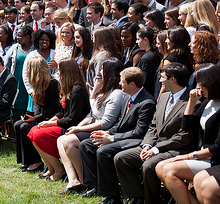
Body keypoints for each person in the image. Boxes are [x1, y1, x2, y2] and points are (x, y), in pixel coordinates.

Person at [115, 63, 198, 204]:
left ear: (172, 79)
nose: (160, 81)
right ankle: (138, 196)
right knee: (121, 158)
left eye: (162, 77)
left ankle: (151, 201)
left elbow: (183, 137)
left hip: (175, 149)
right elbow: (153, 126)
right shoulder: (164, 97)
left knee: (149, 165)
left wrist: (156, 149)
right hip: (154, 146)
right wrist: (147, 144)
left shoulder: (191, 103)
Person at [79, 67, 156, 202]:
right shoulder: (128, 98)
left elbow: (139, 132)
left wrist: (112, 138)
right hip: (121, 137)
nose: (120, 84)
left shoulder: (147, 103)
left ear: (132, 84)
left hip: (135, 141)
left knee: (104, 151)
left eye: (122, 81)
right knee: (86, 145)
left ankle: (113, 196)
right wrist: (107, 132)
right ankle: (97, 186)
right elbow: (120, 123)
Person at [58, 57, 125, 195]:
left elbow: (106, 123)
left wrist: (78, 129)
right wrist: (76, 127)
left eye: (102, 70)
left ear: (109, 72)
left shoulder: (116, 94)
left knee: (70, 142)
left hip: (104, 131)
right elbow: (90, 116)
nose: (99, 73)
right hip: (93, 126)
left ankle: (86, 181)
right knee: (62, 139)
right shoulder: (103, 92)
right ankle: (74, 180)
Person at [156, 64, 220, 204]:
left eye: (199, 83)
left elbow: (217, 148)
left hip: (213, 159)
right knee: (160, 167)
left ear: (210, 83)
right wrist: (191, 102)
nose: (197, 86)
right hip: (203, 156)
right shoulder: (207, 103)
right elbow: (186, 126)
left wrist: (186, 156)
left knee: (169, 169)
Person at [28, 58, 91, 181]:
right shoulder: (69, 88)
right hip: (65, 123)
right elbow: (62, 112)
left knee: (36, 133)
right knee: (34, 130)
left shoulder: (78, 90)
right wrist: (50, 121)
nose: (59, 73)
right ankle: (51, 168)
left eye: (60, 71)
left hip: (73, 127)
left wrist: (51, 123)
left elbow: (72, 119)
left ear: (68, 71)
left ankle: (59, 169)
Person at [15, 56, 60, 172]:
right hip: (40, 115)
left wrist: (35, 118)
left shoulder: (53, 83)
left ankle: (36, 161)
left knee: (25, 127)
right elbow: (36, 105)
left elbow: (55, 108)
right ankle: (26, 160)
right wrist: (30, 116)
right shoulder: (37, 83)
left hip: (51, 118)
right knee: (18, 124)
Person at [4, 25, 35, 118]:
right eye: (17, 35)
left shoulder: (36, 49)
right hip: (17, 81)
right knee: (16, 110)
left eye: (20, 36)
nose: (17, 38)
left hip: (31, 82)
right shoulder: (14, 48)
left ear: (28, 37)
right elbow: (6, 66)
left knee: (29, 109)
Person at [86, 27, 122, 95]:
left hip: (98, 93)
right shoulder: (110, 53)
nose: (93, 40)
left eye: (93, 37)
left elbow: (99, 79)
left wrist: (93, 96)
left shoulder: (102, 57)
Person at [136, 27, 162, 94]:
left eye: (138, 39)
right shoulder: (157, 53)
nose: (137, 42)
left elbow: (145, 83)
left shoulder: (146, 58)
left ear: (145, 40)